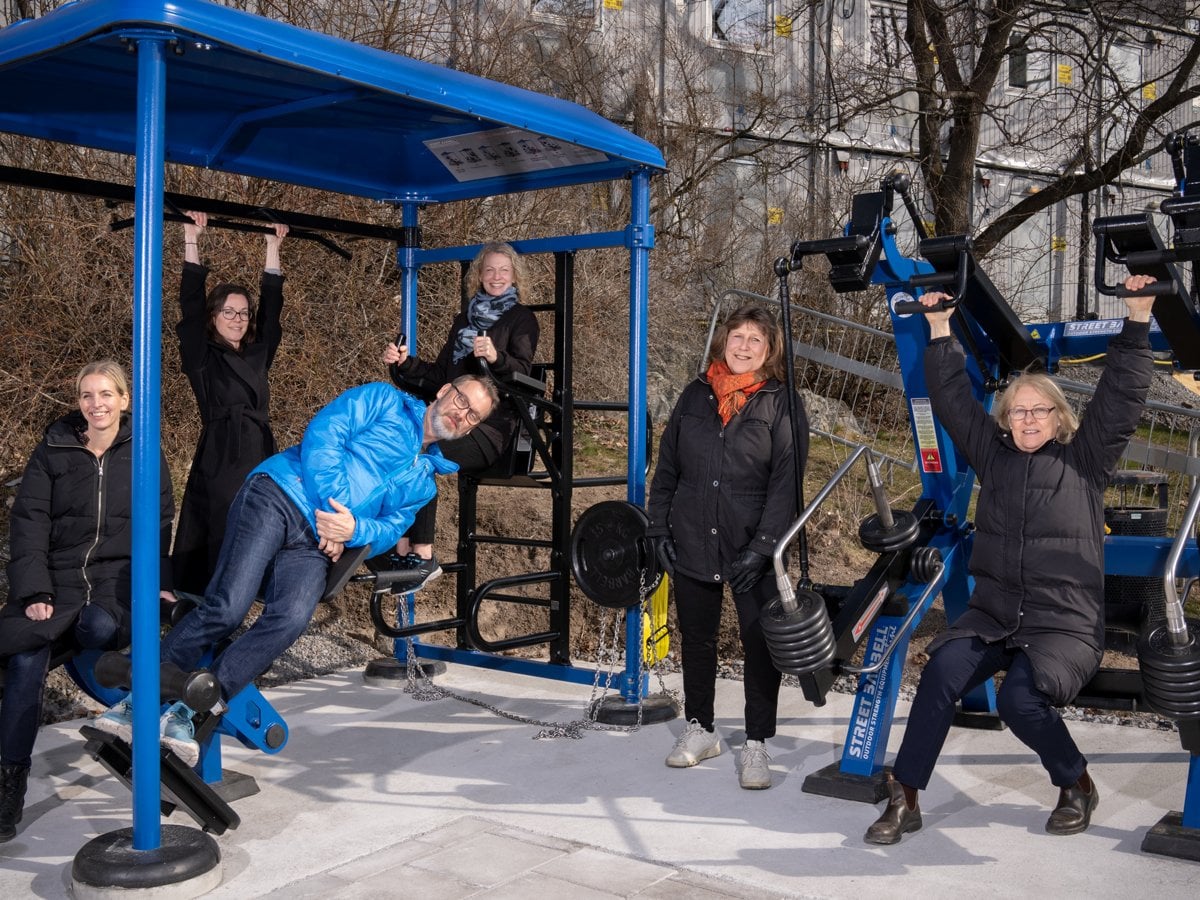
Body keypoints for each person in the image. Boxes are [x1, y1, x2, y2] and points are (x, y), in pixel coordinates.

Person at [864, 275, 1156, 845]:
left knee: (1021, 699)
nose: (1026, 420)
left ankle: (1075, 783)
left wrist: (1138, 318)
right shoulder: (993, 459)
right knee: (943, 670)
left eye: (1038, 411)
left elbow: (1121, 397)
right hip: (995, 614)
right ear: (1004, 419)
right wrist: (942, 328)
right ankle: (905, 796)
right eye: (1017, 411)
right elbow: (950, 401)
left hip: (1063, 623)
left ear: (1059, 418)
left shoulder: (1084, 463)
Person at [94, 374, 498, 765]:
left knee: (290, 618)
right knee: (228, 607)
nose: (462, 414)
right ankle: (135, 702)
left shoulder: (425, 482)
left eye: (473, 416)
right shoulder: (383, 400)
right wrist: (334, 507)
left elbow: (390, 528)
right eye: (462, 400)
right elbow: (326, 433)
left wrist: (354, 528)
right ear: (445, 391)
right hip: (280, 495)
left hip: (317, 543)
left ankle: (189, 712)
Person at [0, 361, 175, 842]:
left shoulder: (143, 451)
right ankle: (8, 782)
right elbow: (29, 522)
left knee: (97, 629)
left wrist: (158, 580)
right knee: (24, 656)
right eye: (86, 395)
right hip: (56, 578)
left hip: (113, 580)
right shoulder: (54, 449)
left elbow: (160, 522)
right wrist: (35, 590)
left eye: (105, 394)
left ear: (124, 399)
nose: (95, 404)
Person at [646, 304, 808, 790]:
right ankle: (701, 729)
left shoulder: (782, 402)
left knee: (760, 643)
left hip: (752, 545)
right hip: (693, 535)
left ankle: (756, 741)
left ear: (769, 350)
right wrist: (657, 528)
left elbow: (787, 483)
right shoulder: (695, 395)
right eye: (736, 336)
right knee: (697, 639)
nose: (743, 347)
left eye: (754, 340)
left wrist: (763, 547)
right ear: (722, 341)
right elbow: (668, 467)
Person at [381, 242, 538, 586]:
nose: (496, 277)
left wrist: (496, 358)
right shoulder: (463, 321)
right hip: (452, 415)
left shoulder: (521, 319)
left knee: (421, 454)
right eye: (490, 270)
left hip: (488, 428)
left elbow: (524, 371)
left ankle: (423, 554)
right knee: (400, 445)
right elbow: (440, 377)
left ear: (514, 277)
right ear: (479, 276)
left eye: (504, 271)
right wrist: (405, 362)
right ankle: (400, 546)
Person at [171, 211, 289, 597]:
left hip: (259, 453)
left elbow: (273, 315)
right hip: (222, 454)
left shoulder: (257, 354)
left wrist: (273, 248)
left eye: (242, 312)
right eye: (228, 312)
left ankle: (239, 601)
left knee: (257, 527)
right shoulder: (202, 356)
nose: (237, 319)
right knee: (220, 529)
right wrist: (192, 239)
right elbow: (188, 309)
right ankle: (205, 606)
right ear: (214, 316)